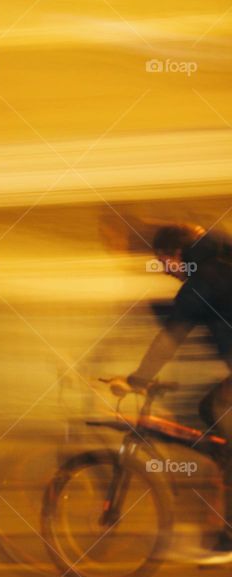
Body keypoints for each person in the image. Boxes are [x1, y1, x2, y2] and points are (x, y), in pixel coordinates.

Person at [111, 223, 232, 554]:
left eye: (163, 261)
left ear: (177, 255)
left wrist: (137, 380)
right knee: (210, 410)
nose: (164, 271)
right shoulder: (215, 268)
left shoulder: (205, 278)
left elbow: (172, 335)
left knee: (222, 420)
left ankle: (227, 542)